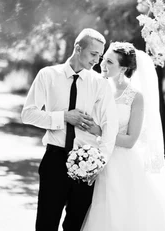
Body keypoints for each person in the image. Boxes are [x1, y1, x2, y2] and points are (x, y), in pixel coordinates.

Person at [21, 28, 119, 231]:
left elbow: (111, 127)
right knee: (46, 224)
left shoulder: (100, 84)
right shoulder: (48, 75)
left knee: (75, 227)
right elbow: (28, 114)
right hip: (54, 160)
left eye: (100, 56)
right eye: (93, 54)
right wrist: (64, 117)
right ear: (77, 48)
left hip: (87, 163)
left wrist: (100, 163)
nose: (96, 60)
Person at [81, 42, 165, 231]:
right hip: (96, 158)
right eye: (104, 59)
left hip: (122, 163)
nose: (103, 65)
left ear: (123, 68)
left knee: (123, 213)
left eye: (110, 62)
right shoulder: (97, 88)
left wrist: (100, 132)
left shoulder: (135, 97)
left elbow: (130, 140)